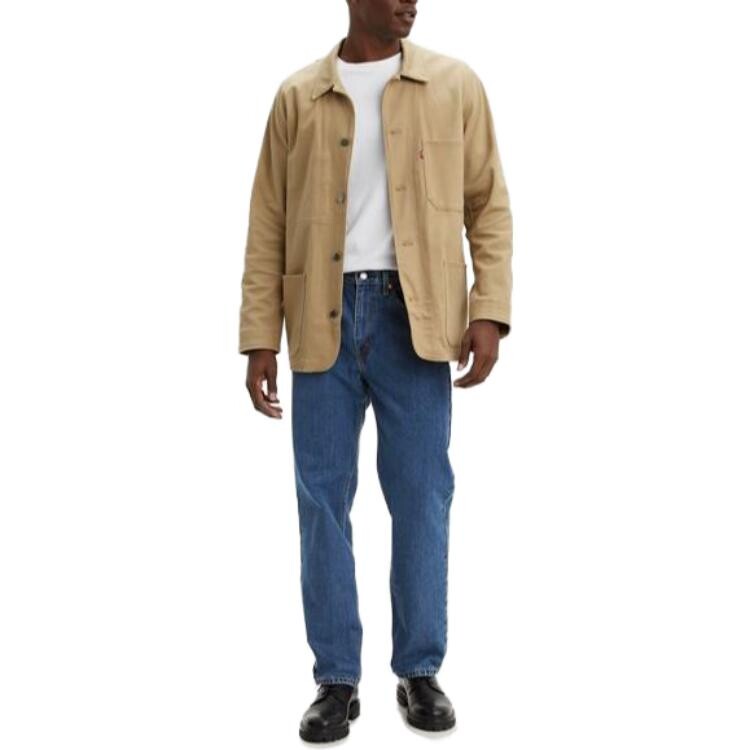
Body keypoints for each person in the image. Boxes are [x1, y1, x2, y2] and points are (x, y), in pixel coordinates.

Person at [238, 0, 512, 741]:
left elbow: (488, 205)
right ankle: (336, 678)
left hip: (415, 319)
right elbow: (268, 222)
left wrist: (489, 309)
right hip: (319, 316)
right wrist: (259, 336)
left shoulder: (454, 85)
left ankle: (419, 670)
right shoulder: (298, 96)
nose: (410, 2)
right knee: (322, 503)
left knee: (422, 496)